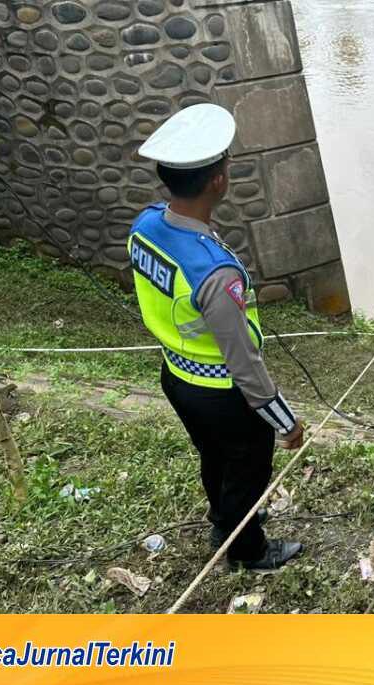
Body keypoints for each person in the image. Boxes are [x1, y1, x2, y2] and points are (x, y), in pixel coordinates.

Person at [128, 104, 304, 570]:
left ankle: (223, 518)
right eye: (225, 165)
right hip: (223, 393)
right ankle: (248, 550)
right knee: (246, 471)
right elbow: (244, 365)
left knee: (214, 457)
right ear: (218, 182)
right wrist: (284, 421)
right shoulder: (214, 273)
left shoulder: (144, 228)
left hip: (176, 376)